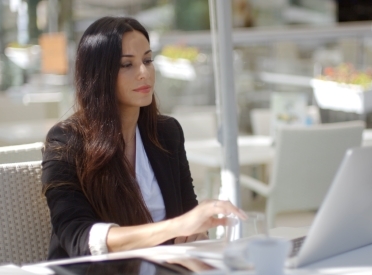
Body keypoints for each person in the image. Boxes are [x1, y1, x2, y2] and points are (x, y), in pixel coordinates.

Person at [41, 16, 244, 260]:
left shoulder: (167, 134)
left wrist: (195, 232)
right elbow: (79, 238)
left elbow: (187, 219)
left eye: (147, 60)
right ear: (98, 75)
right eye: (127, 64)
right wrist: (177, 227)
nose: (143, 72)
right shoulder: (65, 141)